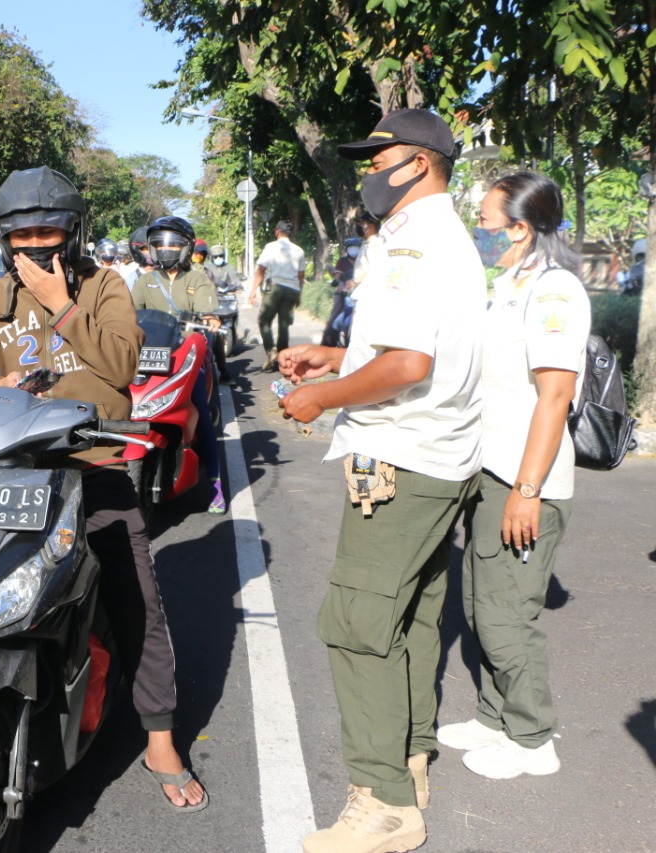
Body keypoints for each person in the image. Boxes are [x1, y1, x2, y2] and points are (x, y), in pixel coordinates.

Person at [0, 167, 208, 814]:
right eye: (22, 238)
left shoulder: (105, 286)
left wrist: (62, 305)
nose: (35, 247)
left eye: (48, 233)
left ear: (72, 235)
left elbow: (120, 366)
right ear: (2, 242)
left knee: (137, 588)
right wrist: (1, 388)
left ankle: (159, 733)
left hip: (88, 465)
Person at [277, 108, 486, 853]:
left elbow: (409, 366)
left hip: (401, 459)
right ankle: (411, 756)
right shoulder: (440, 240)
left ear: (421, 163)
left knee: (356, 624)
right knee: (413, 616)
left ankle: (385, 804)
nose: (368, 171)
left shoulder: (417, 246)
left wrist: (317, 398)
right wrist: (333, 359)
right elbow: (408, 349)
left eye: (380, 157)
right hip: (440, 457)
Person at [436, 172, 589, 780]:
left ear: (522, 229)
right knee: (479, 603)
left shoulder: (554, 292)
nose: (480, 232)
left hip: (527, 478)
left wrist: (528, 490)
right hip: (491, 470)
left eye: (487, 223)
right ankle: (495, 717)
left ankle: (532, 738)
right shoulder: (509, 284)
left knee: (506, 616)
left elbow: (554, 398)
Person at [131, 216, 227, 513]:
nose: (167, 249)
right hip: (150, 355)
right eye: (160, 243)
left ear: (186, 248)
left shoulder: (198, 278)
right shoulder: (145, 281)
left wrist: (208, 321)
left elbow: (208, 315)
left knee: (198, 407)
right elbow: (131, 315)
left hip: (186, 357)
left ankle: (215, 482)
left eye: (174, 243)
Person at [248, 219, 306, 371]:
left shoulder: (271, 247)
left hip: (275, 288)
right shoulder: (299, 250)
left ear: (277, 232)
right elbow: (301, 276)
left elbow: (261, 269)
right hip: (292, 290)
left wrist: (253, 291)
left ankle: (270, 350)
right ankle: (283, 357)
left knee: (263, 320)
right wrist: (299, 296)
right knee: (284, 325)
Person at [321, 237, 361, 347]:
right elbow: (337, 276)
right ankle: (326, 346)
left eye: (356, 247)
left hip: (360, 296)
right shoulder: (342, 262)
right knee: (333, 321)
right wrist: (339, 283)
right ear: (347, 249)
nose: (354, 249)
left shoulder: (363, 261)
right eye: (351, 247)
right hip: (343, 294)